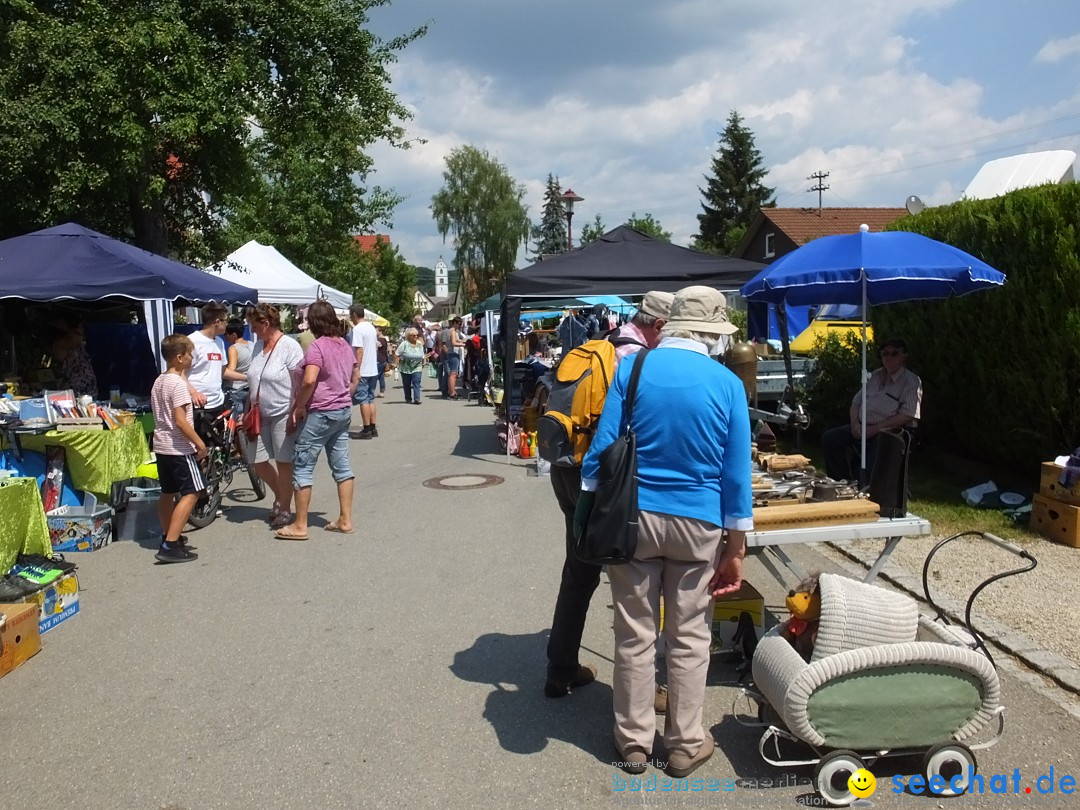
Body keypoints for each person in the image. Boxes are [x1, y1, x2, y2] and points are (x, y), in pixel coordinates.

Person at [575, 286, 752, 778]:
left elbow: (600, 455)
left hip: (634, 518)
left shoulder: (631, 369)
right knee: (690, 636)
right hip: (699, 523)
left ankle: (633, 741)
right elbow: (737, 476)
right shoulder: (727, 384)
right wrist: (735, 549)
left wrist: (586, 511)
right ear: (712, 333)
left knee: (634, 632)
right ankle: (683, 744)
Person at [544, 291, 673, 699]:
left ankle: (560, 668)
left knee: (578, 572)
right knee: (634, 578)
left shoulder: (601, 344)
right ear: (659, 326)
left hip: (567, 465)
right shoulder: (636, 358)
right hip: (602, 475)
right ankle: (642, 688)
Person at [274, 301, 358, 540]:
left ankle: (300, 525)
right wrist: (344, 393)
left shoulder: (317, 347)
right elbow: (356, 375)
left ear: (313, 321)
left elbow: (310, 380)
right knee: (342, 467)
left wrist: (300, 405)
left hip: (320, 412)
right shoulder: (344, 344)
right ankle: (345, 518)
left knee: (303, 466)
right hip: (342, 411)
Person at [821, 338, 922, 482]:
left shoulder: (911, 381)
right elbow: (856, 402)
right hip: (862, 426)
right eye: (885, 354)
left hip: (889, 432)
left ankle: (868, 490)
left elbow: (907, 415)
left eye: (894, 353)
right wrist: (855, 424)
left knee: (869, 467)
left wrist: (874, 429)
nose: (889, 357)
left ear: (904, 356)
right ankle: (840, 483)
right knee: (830, 438)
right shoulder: (874, 375)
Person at [246, 303, 305, 528]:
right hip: (258, 413)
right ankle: (282, 496)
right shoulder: (257, 346)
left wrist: (296, 409)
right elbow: (254, 377)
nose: (251, 329)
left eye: (254, 325)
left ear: (266, 323)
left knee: (283, 462)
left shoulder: (290, 346)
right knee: (257, 461)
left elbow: (298, 382)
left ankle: (285, 507)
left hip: (283, 411)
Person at [150, 334, 207, 564]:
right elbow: (181, 420)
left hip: (162, 444)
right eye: (189, 354)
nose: (192, 358)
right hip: (178, 447)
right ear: (179, 357)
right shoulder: (178, 386)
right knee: (193, 491)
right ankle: (170, 543)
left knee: (168, 492)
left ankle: (168, 534)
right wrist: (199, 443)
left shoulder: (160, 380)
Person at [349, 304, 380, 438]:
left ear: (354, 315)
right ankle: (373, 427)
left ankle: (366, 429)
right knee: (370, 398)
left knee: (363, 400)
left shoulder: (357, 329)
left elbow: (359, 350)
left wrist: (357, 368)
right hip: (373, 368)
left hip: (364, 369)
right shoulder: (371, 327)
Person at [51, 317, 98, 397]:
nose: (81, 330)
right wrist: (66, 328)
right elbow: (77, 338)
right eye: (78, 327)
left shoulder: (78, 344)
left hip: (89, 388)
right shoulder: (60, 344)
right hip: (76, 390)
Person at [223, 319, 252, 416]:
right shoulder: (252, 345)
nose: (225, 336)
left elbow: (231, 370)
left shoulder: (233, 348)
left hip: (236, 389)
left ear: (234, 334)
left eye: (226, 334)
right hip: (249, 388)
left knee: (235, 420)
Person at [395, 327, 426, 404]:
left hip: (417, 367)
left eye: (417, 335)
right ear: (408, 336)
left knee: (416, 381)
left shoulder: (419, 344)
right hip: (405, 367)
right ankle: (408, 398)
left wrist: (424, 361)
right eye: (413, 335)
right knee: (407, 383)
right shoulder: (404, 344)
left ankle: (417, 398)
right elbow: (397, 354)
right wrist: (395, 363)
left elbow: (422, 354)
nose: (416, 337)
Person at [445, 316, 465, 399]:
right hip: (453, 353)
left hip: (452, 353)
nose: (460, 326)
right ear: (455, 323)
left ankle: (452, 391)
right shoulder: (452, 331)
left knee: (453, 373)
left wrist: (460, 341)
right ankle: (452, 393)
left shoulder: (453, 331)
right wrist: (463, 344)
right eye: (459, 324)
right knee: (453, 374)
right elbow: (453, 343)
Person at [375, 327, 389, 398]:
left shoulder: (380, 340)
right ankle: (382, 391)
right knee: (381, 376)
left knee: (375, 376)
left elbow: (377, 346)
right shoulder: (385, 339)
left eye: (376, 331)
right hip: (383, 359)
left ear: (380, 331)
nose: (375, 332)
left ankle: (371, 391)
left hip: (379, 359)